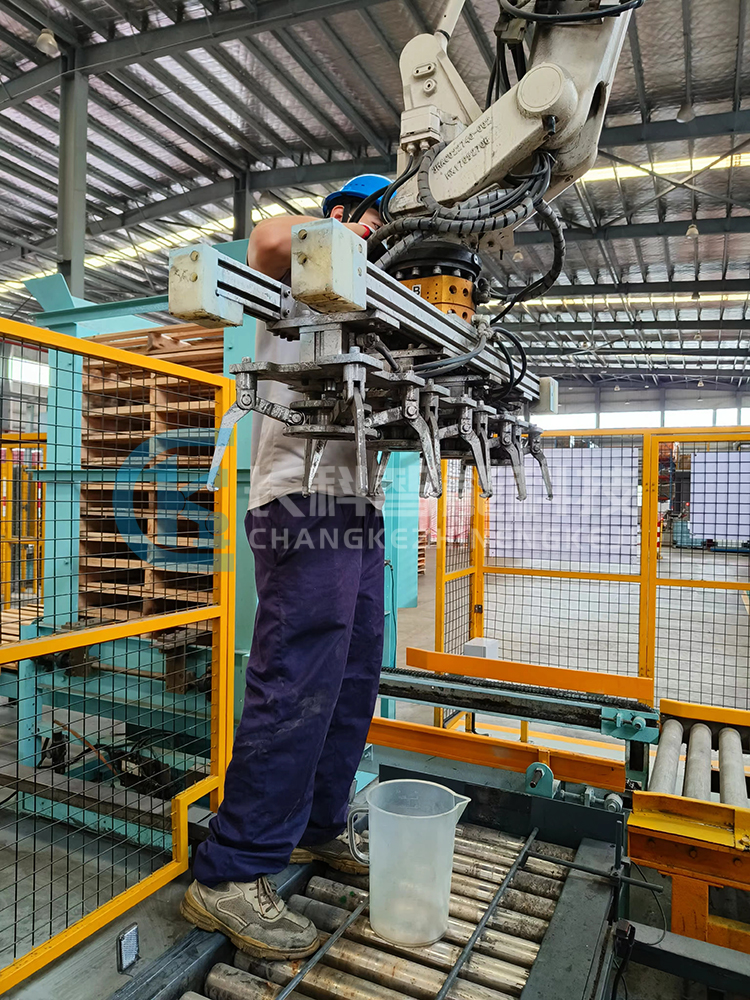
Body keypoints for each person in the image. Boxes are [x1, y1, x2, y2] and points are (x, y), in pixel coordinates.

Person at [181, 176, 391, 960]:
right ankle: (231, 872)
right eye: (377, 221)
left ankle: (317, 824)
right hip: (301, 499)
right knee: (296, 677)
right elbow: (266, 240)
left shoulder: (377, 302)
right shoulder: (306, 270)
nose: (385, 238)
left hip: (360, 506)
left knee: (354, 674)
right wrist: (345, 238)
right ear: (341, 215)